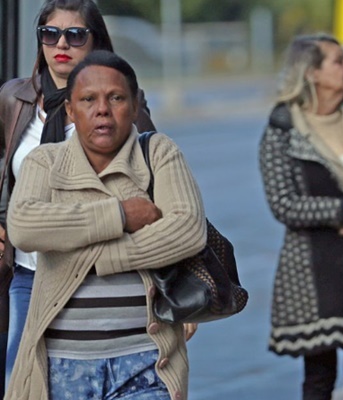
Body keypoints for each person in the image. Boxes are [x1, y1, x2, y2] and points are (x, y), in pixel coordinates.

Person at [5, 49, 205, 399]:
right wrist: (122, 215)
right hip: (62, 367)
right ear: (70, 109)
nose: (102, 109)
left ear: (134, 106)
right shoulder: (44, 162)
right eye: (88, 99)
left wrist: (97, 259)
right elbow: (24, 226)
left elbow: (187, 230)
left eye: (115, 98)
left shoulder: (158, 153)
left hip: (147, 363)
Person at [0, 0, 157, 391]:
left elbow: (151, 192)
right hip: (30, 272)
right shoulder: (13, 100)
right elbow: (5, 168)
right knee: (20, 383)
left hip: (92, 277)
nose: (61, 44)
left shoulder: (120, 106)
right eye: (50, 34)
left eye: (75, 34)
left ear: (95, 42)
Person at [259, 33, 343, 400]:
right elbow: (284, 204)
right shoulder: (282, 128)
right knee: (319, 379)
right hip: (314, 271)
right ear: (311, 72)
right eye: (338, 61)